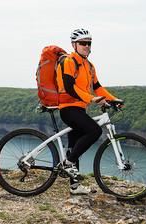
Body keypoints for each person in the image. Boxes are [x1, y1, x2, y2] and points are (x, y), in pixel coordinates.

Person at [56, 28, 119, 195]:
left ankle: (74, 186)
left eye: (88, 43)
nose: (86, 46)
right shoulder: (68, 62)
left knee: (74, 148)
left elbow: (97, 87)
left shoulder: (89, 66)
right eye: (82, 43)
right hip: (68, 108)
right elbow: (69, 88)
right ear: (74, 45)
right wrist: (91, 99)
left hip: (80, 109)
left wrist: (113, 99)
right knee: (94, 130)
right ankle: (68, 163)